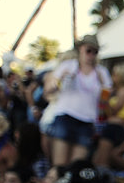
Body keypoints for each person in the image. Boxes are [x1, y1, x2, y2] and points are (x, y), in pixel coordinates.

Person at [43, 34, 112, 166]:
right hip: (65, 117)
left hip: (87, 121)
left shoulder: (101, 72)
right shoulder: (68, 66)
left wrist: (103, 86)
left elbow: (105, 101)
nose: (91, 55)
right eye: (89, 50)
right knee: (60, 165)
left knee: (76, 167)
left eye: (95, 52)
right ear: (81, 49)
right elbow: (48, 91)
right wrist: (60, 81)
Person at [93, 62, 124, 172]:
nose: (112, 77)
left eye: (115, 74)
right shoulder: (123, 90)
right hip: (115, 126)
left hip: (115, 128)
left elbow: (114, 110)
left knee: (102, 159)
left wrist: (104, 100)